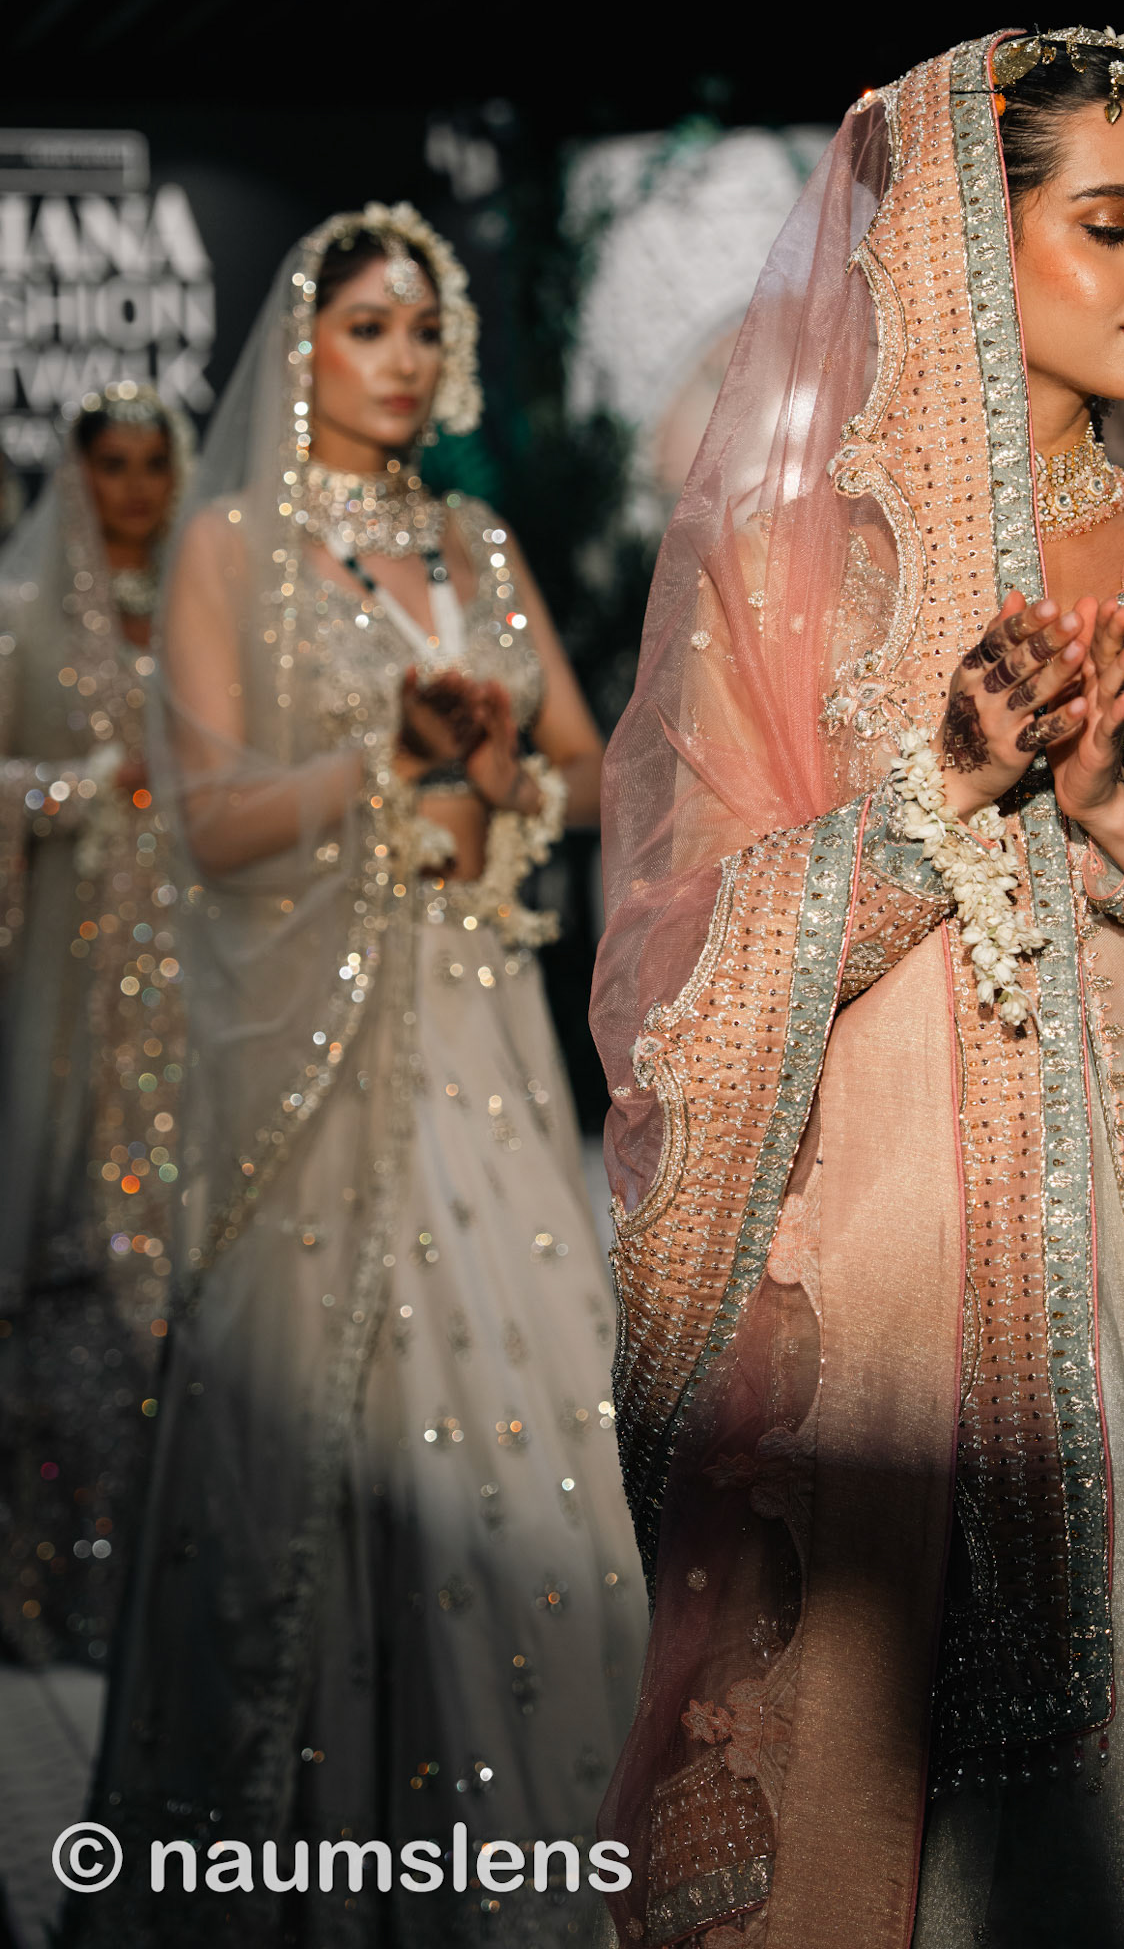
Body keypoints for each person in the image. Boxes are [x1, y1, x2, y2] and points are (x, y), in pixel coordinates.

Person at [590, 30, 1124, 1948]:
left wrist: (1121, 816)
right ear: (960, 252)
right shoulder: (784, 576)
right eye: (1111, 221)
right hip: (893, 1311)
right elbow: (679, 981)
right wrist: (937, 797)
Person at [85, 206, 645, 1944]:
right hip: (314, 1070)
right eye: (367, 329)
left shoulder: (474, 541)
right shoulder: (231, 546)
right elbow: (211, 824)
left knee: (528, 1430)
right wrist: (380, 766)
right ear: (302, 349)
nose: (402, 360)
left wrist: (506, 772)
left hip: (481, 1033)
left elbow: (595, 770)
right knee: (331, 1446)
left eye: (423, 329)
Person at [0, 383, 192, 1669]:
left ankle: (177, 1578)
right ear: (77, 474)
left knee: (180, 1256)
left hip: (192, 980)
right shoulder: (23, 618)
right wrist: (83, 788)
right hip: (68, 986)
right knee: (69, 1248)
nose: (133, 486)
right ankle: (53, 1581)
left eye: (151, 462)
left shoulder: (206, 614)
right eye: (110, 463)